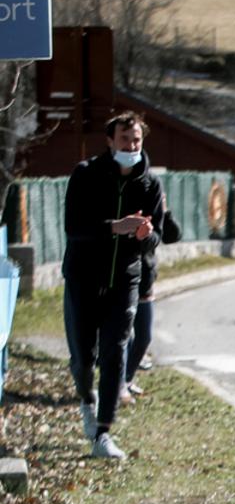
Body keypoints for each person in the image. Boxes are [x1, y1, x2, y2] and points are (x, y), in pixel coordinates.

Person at [62, 111, 164, 459]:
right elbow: (74, 228)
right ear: (110, 141)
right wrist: (114, 227)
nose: (132, 146)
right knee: (83, 357)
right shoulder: (86, 175)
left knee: (115, 351)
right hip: (83, 278)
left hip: (125, 280)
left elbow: (157, 239)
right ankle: (86, 400)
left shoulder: (149, 184)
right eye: (125, 140)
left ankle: (103, 433)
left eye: (136, 140)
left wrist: (146, 235)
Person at [122, 205, 182, 403]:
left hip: (145, 281)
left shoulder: (153, 202)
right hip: (122, 279)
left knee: (144, 337)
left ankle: (127, 380)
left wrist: (165, 211)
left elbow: (172, 236)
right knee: (123, 337)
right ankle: (119, 384)